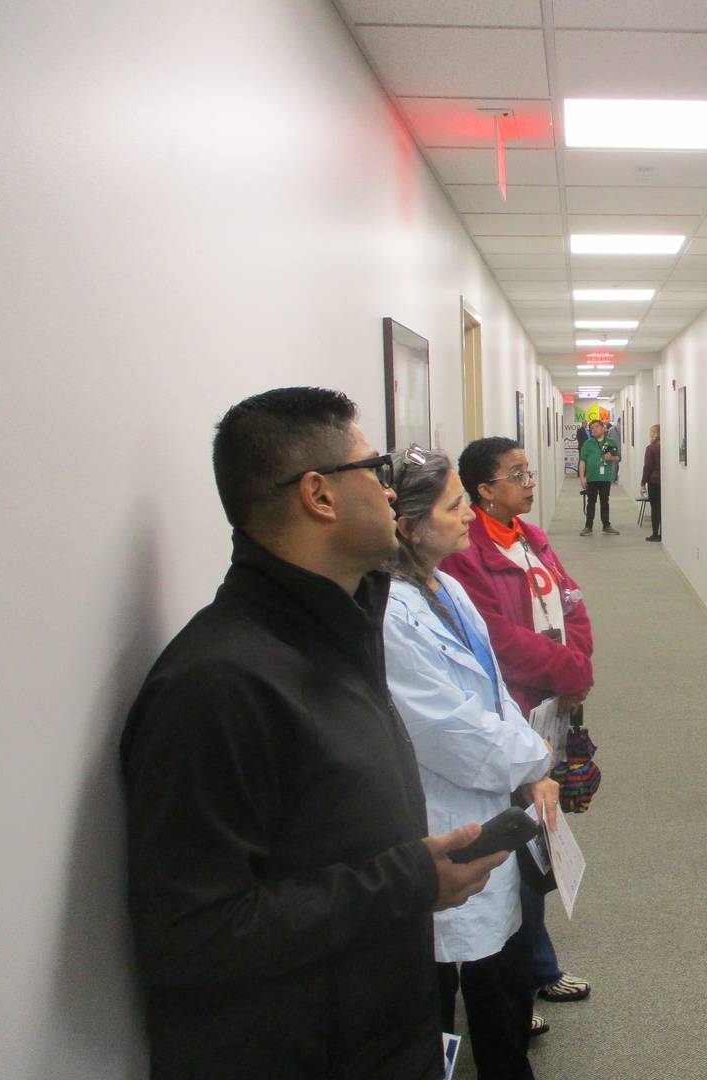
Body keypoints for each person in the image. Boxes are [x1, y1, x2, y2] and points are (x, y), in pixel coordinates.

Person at [121, 387, 507, 1080]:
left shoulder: (339, 634)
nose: (393, 492)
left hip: (377, 1030)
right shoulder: (217, 685)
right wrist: (410, 880)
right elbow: (191, 936)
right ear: (319, 496)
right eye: (377, 470)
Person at [382, 446, 558, 1079]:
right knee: (438, 993)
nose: (467, 516)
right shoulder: (388, 615)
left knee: (500, 981)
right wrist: (534, 759)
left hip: (493, 804)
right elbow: (449, 729)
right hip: (440, 816)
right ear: (408, 525)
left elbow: (493, 691)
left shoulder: (448, 586)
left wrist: (534, 767)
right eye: (454, 505)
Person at [442, 436, 596, 1011]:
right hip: (510, 710)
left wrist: (577, 666)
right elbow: (496, 640)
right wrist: (567, 668)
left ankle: (533, 967)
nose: (530, 482)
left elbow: (572, 602)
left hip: (551, 706)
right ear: (484, 490)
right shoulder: (466, 553)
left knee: (539, 833)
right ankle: (526, 978)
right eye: (516, 474)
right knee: (517, 844)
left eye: (529, 471)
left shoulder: (532, 538)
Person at [578, 417, 621, 535]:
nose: (594, 430)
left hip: (605, 478)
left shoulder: (610, 442)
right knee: (591, 502)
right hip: (591, 478)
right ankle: (588, 526)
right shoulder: (588, 443)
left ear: (603, 428)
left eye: (596, 427)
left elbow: (618, 457)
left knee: (604, 501)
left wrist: (611, 458)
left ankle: (606, 525)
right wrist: (582, 477)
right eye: (591, 428)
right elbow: (582, 461)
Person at [640, 424, 661, 542]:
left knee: (655, 508)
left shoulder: (651, 448)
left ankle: (655, 533)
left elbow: (647, 467)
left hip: (654, 481)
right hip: (664, 482)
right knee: (662, 508)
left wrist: (643, 483)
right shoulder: (665, 447)